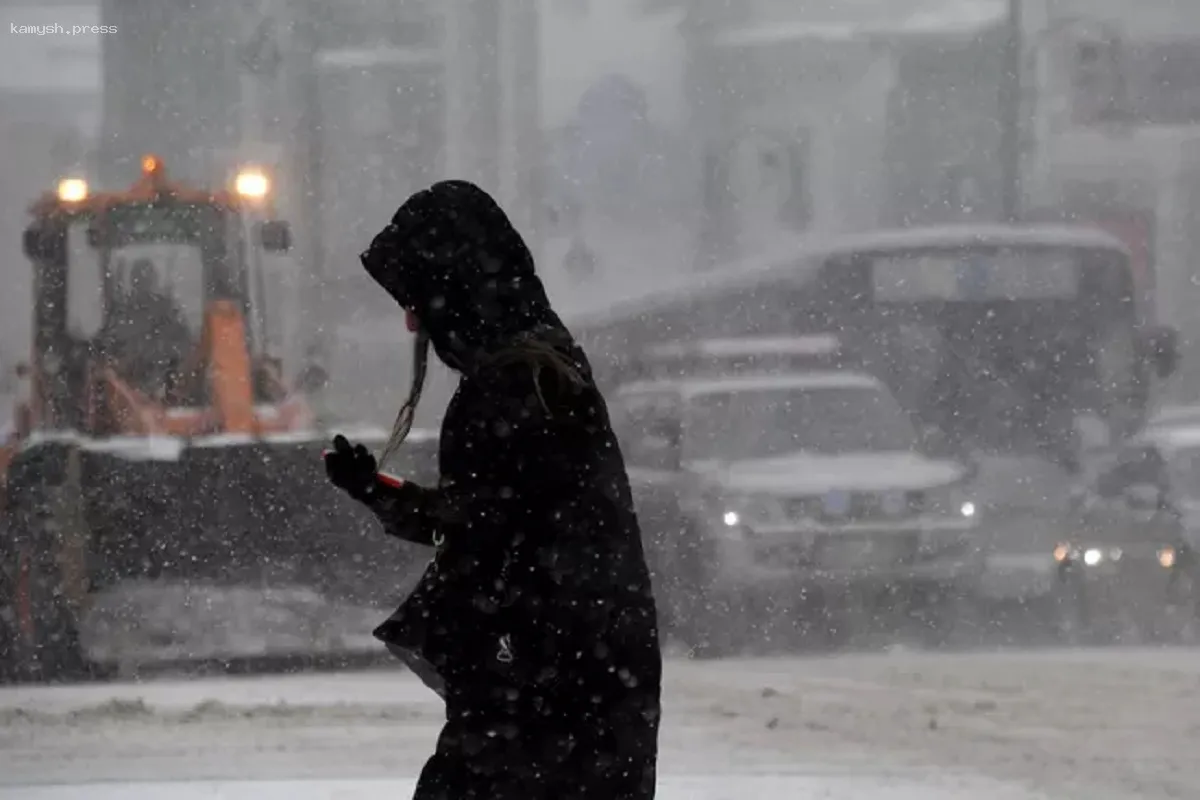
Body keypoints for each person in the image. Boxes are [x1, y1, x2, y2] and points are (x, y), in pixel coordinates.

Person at [324, 180, 662, 799]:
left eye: (416, 297)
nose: (410, 319)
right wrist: (377, 491)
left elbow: (480, 524)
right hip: (577, 684)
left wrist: (379, 495)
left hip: (536, 690)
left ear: (452, 288)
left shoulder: (513, 384)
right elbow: (497, 515)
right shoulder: (548, 369)